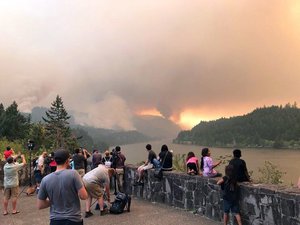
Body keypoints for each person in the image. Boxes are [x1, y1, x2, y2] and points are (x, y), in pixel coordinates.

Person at [37, 149, 88, 225]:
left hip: (55, 221)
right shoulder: (73, 174)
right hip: (73, 219)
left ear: (55, 160)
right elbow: (84, 196)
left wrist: (54, 200)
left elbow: (40, 205)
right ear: (67, 160)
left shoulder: (45, 179)